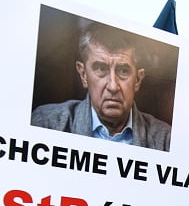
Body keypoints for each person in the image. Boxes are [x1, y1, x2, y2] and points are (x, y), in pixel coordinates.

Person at [31, 22, 171, 151]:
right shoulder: (47, 123)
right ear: (84, 74)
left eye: (123, 71)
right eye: (101, 69)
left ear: (138, 80)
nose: (113, 86)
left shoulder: (165, 139)